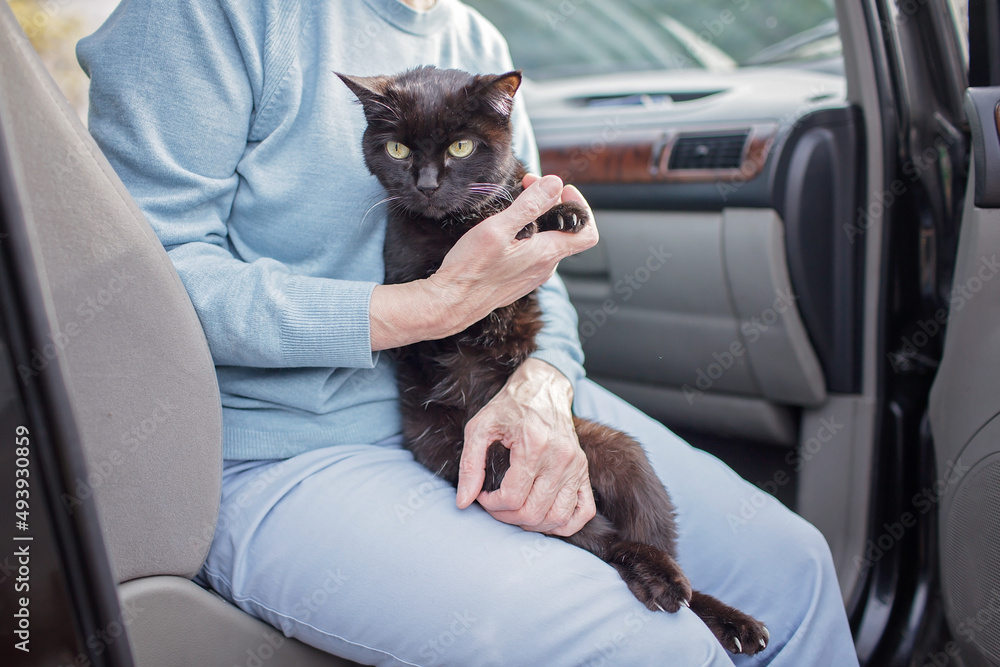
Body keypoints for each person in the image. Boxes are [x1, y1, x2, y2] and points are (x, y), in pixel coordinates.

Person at [78, 0, 861, 665]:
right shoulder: (204, 17)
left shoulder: (474, 40)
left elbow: (533, 262)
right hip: (288, 448)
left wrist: (545, 383)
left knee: (795, 567)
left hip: (493, 387)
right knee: (652, 647)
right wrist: (431, 305)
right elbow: (143, 286)